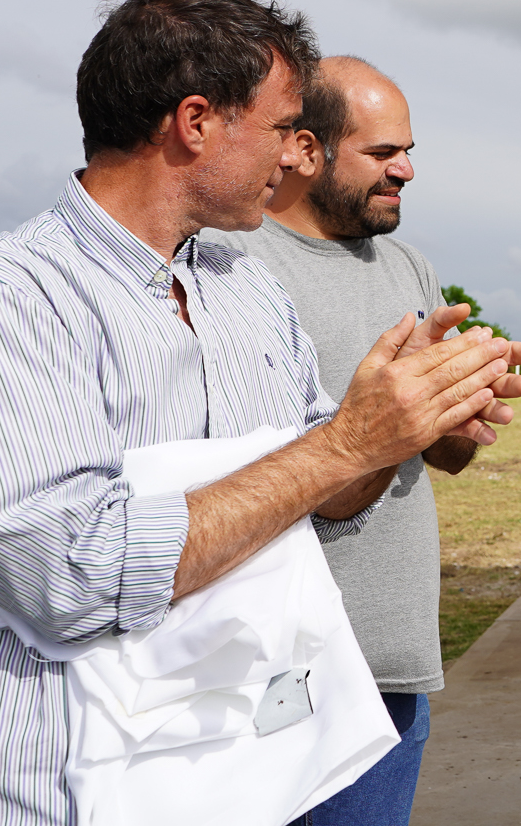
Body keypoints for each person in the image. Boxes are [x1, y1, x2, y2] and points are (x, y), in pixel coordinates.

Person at [0, 0, 521, 826]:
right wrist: (343, 442)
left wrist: (398, 424)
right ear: (194, 121)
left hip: (241, 784)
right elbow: (69, 575)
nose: (294, 155)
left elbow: (318, 500)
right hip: (55, 798)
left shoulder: (240, 288)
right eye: (283, 127)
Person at [206, 56, 492, 826]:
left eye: (409, 151)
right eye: (383, 152)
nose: (405, 170)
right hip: (267, 672)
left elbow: (442, 455)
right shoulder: (232, 263)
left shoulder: (407, 267)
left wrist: (457, 420)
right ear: (307, 148)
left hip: (391, 674)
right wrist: (382, 429)